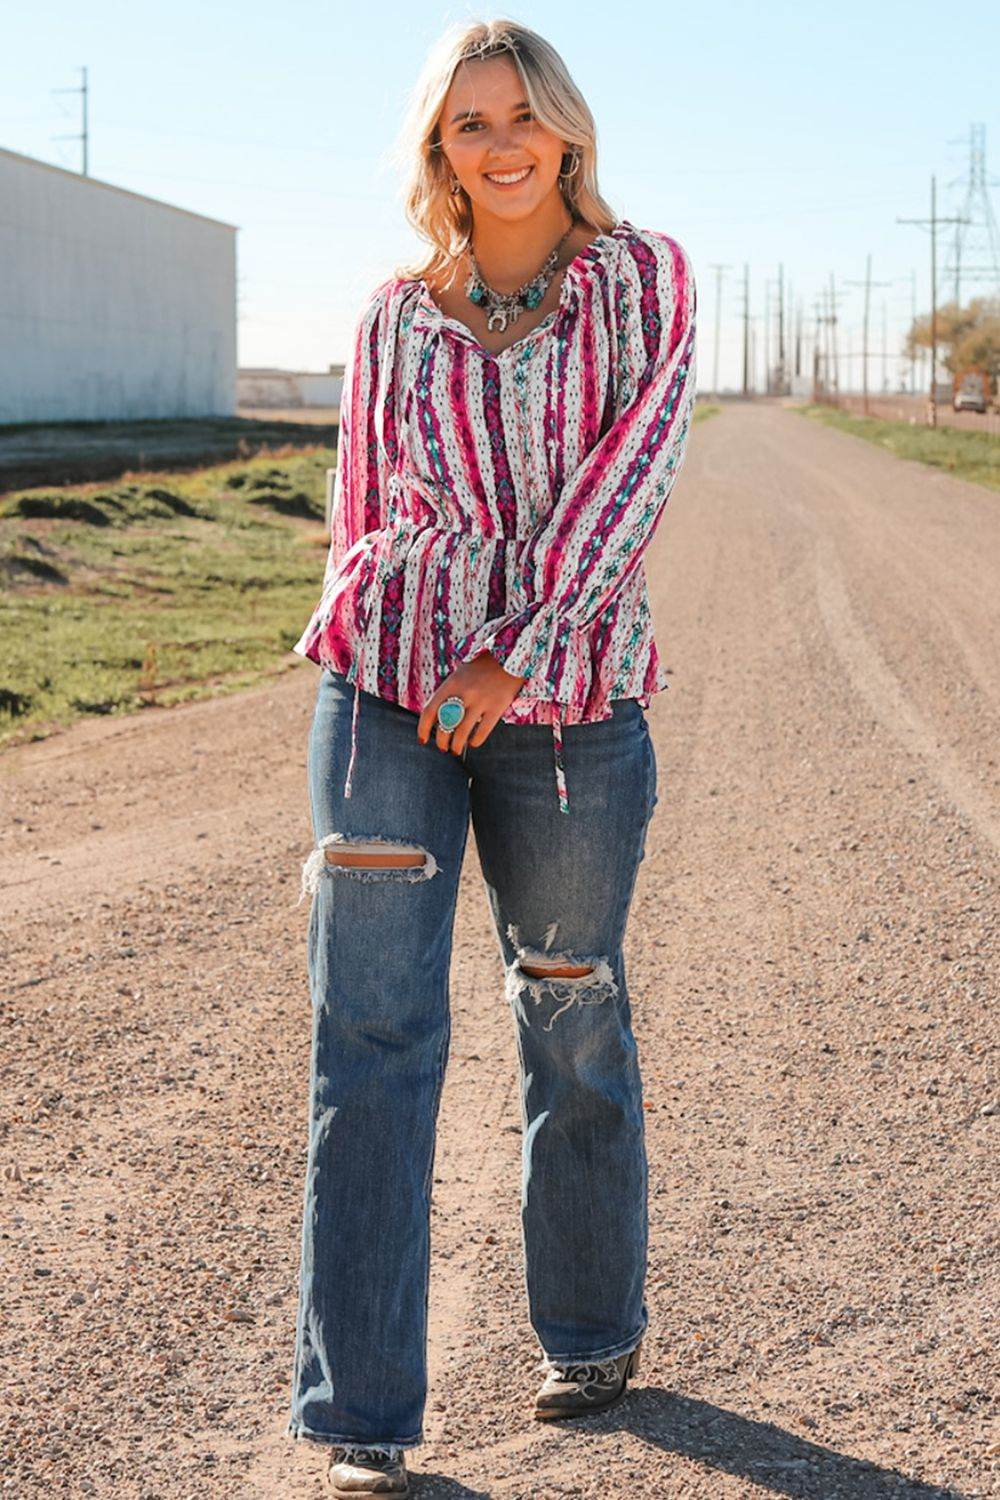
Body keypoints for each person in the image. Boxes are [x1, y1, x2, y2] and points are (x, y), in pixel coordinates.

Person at [285, 16, 697, 1497]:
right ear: (439, 149)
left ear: (566, 130)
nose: (503, 143)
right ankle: (359, 1413)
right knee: (371, 1036)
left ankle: (590, 1331)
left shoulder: (641, 278)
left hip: (566, 702)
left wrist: (512, 651)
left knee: (568, 1005)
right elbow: (358, 507)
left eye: (524, 114)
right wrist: (366, 657)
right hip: (387, 693)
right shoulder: (394, 314)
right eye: (472, 122)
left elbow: (633, 478)